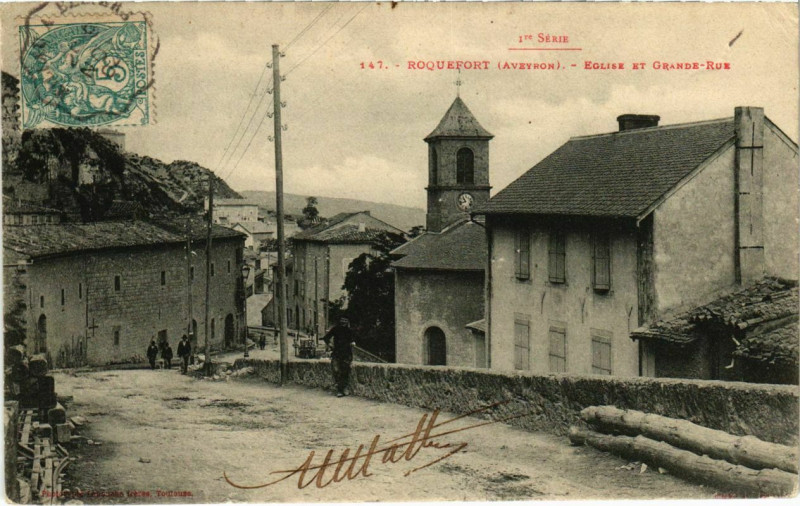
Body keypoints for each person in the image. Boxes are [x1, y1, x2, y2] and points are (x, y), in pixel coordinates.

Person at [322, 317, 356, 398]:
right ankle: (341, 388)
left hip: (346, 354)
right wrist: (330, 345)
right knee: (336, 370)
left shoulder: (349, 331)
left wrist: (352, 343)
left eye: (345, 322)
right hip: (337, 353)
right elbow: (326, 338)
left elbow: (353, 340)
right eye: (342, 322)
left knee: (344, 371)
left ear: (347, 322)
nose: (343, 323)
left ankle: (342, 390)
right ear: (340, 322)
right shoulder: (335, 329)